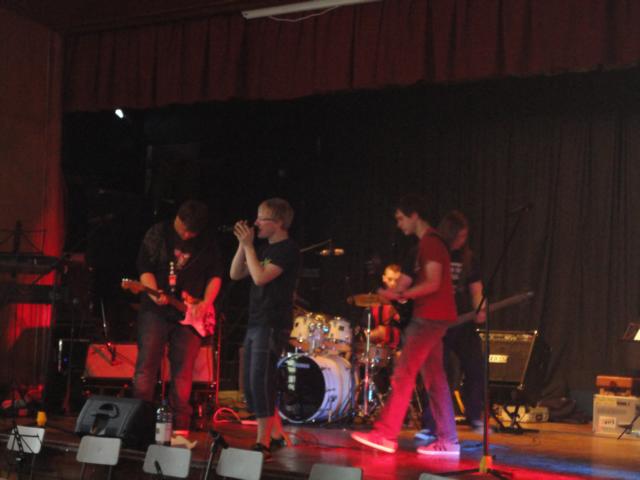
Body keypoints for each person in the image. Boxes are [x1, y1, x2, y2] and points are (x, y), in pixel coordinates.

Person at [350, 194, 460, 456]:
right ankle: (449, 440)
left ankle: (386, 434)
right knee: (435, 379)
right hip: (435, 316)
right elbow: (417, 281)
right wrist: (394, 292)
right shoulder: (425, 245)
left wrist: (402, 294)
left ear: (414, 216)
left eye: (401, 218)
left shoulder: (430, 243)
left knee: (404, 373)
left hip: (430, 317)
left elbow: (433, 283)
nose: (399, 224)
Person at [133, 199, 223, 436]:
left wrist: (205, 303)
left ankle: (181, 424)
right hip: (156, 311)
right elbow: (144, 268)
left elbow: (216, 275)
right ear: (178, 218)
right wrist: (154, 294)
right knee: (147, 364)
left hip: (191, 314)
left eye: (192, 233)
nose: (186, 235)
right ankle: (139, 419)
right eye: (184, 229)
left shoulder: (207, 241)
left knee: (183, 370)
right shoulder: (158, 234)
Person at [229, 198, 300, 458]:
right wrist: (243, 245)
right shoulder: (262, 249)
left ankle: (263, 441)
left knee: (260, 380)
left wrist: (249, 246)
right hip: (256, 320)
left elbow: (260, 277)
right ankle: (276, 434)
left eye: (262, 218)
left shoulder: (287, 249)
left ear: (278, 223)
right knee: (250, 384)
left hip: (272, 323)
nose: (256, 223)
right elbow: (236, 274)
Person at [417, 210, 486, 442]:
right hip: (438, 324)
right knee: (439, 372)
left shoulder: (468, 259)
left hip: (462, 322)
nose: (463, 240)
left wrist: (480, 308)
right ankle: (430, 424)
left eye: (466, 236)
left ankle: (475, 417)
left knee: (476, 367)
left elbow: (476, 289)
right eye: (460, 235)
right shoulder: (434, 254)